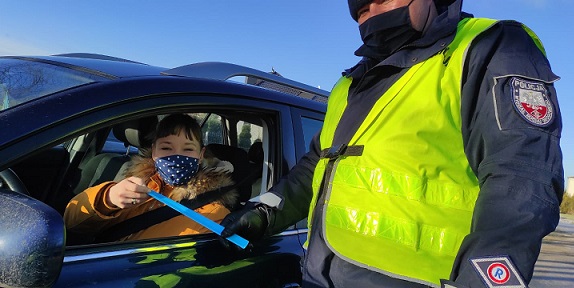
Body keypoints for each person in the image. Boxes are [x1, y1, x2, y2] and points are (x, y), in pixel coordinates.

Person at [220, 0, 563, 287]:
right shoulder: (349, 84)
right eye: (358, 5)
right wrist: (265, 211)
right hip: (318, 275)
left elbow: (522, 179)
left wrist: (482, 280)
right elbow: (317, 164)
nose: (367, 8)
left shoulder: (488, 48)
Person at [64, 113, 238, 242]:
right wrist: (107, 198)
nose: (176, 157)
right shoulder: (132, 183)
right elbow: (70, 223)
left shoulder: (213, 213)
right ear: (154, 151)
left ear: (200, 155)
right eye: (166, 148)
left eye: (187, 149)